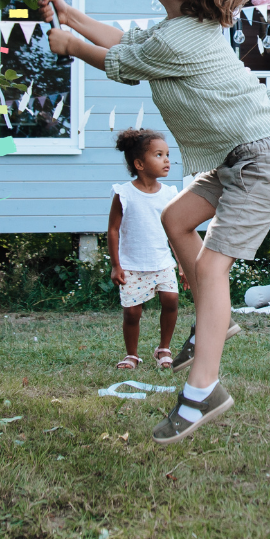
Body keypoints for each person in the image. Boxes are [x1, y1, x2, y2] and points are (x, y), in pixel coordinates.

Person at [43, 0, 270, 443]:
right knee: (176, 220)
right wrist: (73, 17)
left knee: (211, 270)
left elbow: (120, 65)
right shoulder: (173, 33)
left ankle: (203, 391)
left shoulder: (176, 40)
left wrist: (71, 45)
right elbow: (128, 44)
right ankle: (216, 318)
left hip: (264, 159)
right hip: (241, 157)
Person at [108, 128, 182, 371]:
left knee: (171, 300)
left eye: (167, 154)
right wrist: (116, 265)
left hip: (163, 261)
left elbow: (176, 231)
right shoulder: (124, 193)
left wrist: (181, 263)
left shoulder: (170, 194)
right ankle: (132, 355)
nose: (167, 160)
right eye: (159, 155)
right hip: (132, 265)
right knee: (132, 313)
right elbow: (113, 230)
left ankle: (164, 348)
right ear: (139, 163)